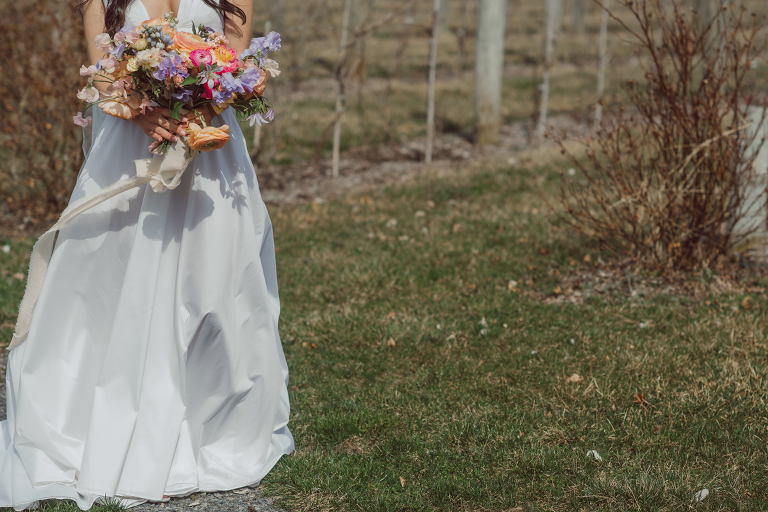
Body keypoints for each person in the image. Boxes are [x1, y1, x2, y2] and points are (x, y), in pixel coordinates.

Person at [0, 0, 294, 509]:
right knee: (109, 279)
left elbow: (239, 56)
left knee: (214, 285)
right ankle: (103, 413)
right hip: (130, 147)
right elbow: (100, 68)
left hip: (212, 151)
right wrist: (144, 112)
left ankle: (210, 427)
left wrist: (196, 113)